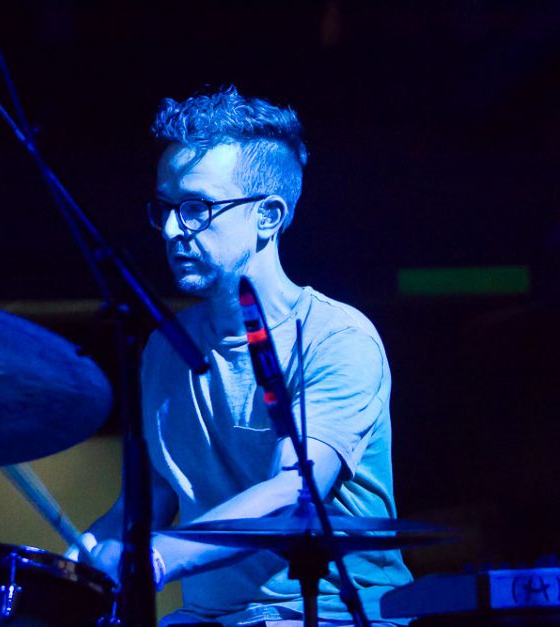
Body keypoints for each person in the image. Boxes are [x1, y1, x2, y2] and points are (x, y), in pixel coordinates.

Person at [74, 86, 412, 626]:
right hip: (209, 618)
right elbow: (149, 503)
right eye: (165, 208)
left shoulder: (337, 337)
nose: (171, 229)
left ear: (268, 217)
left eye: (196, 208)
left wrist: (158, 556)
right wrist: (58, 575)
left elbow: (293, 492)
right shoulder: (165, 347)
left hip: (327, 615)